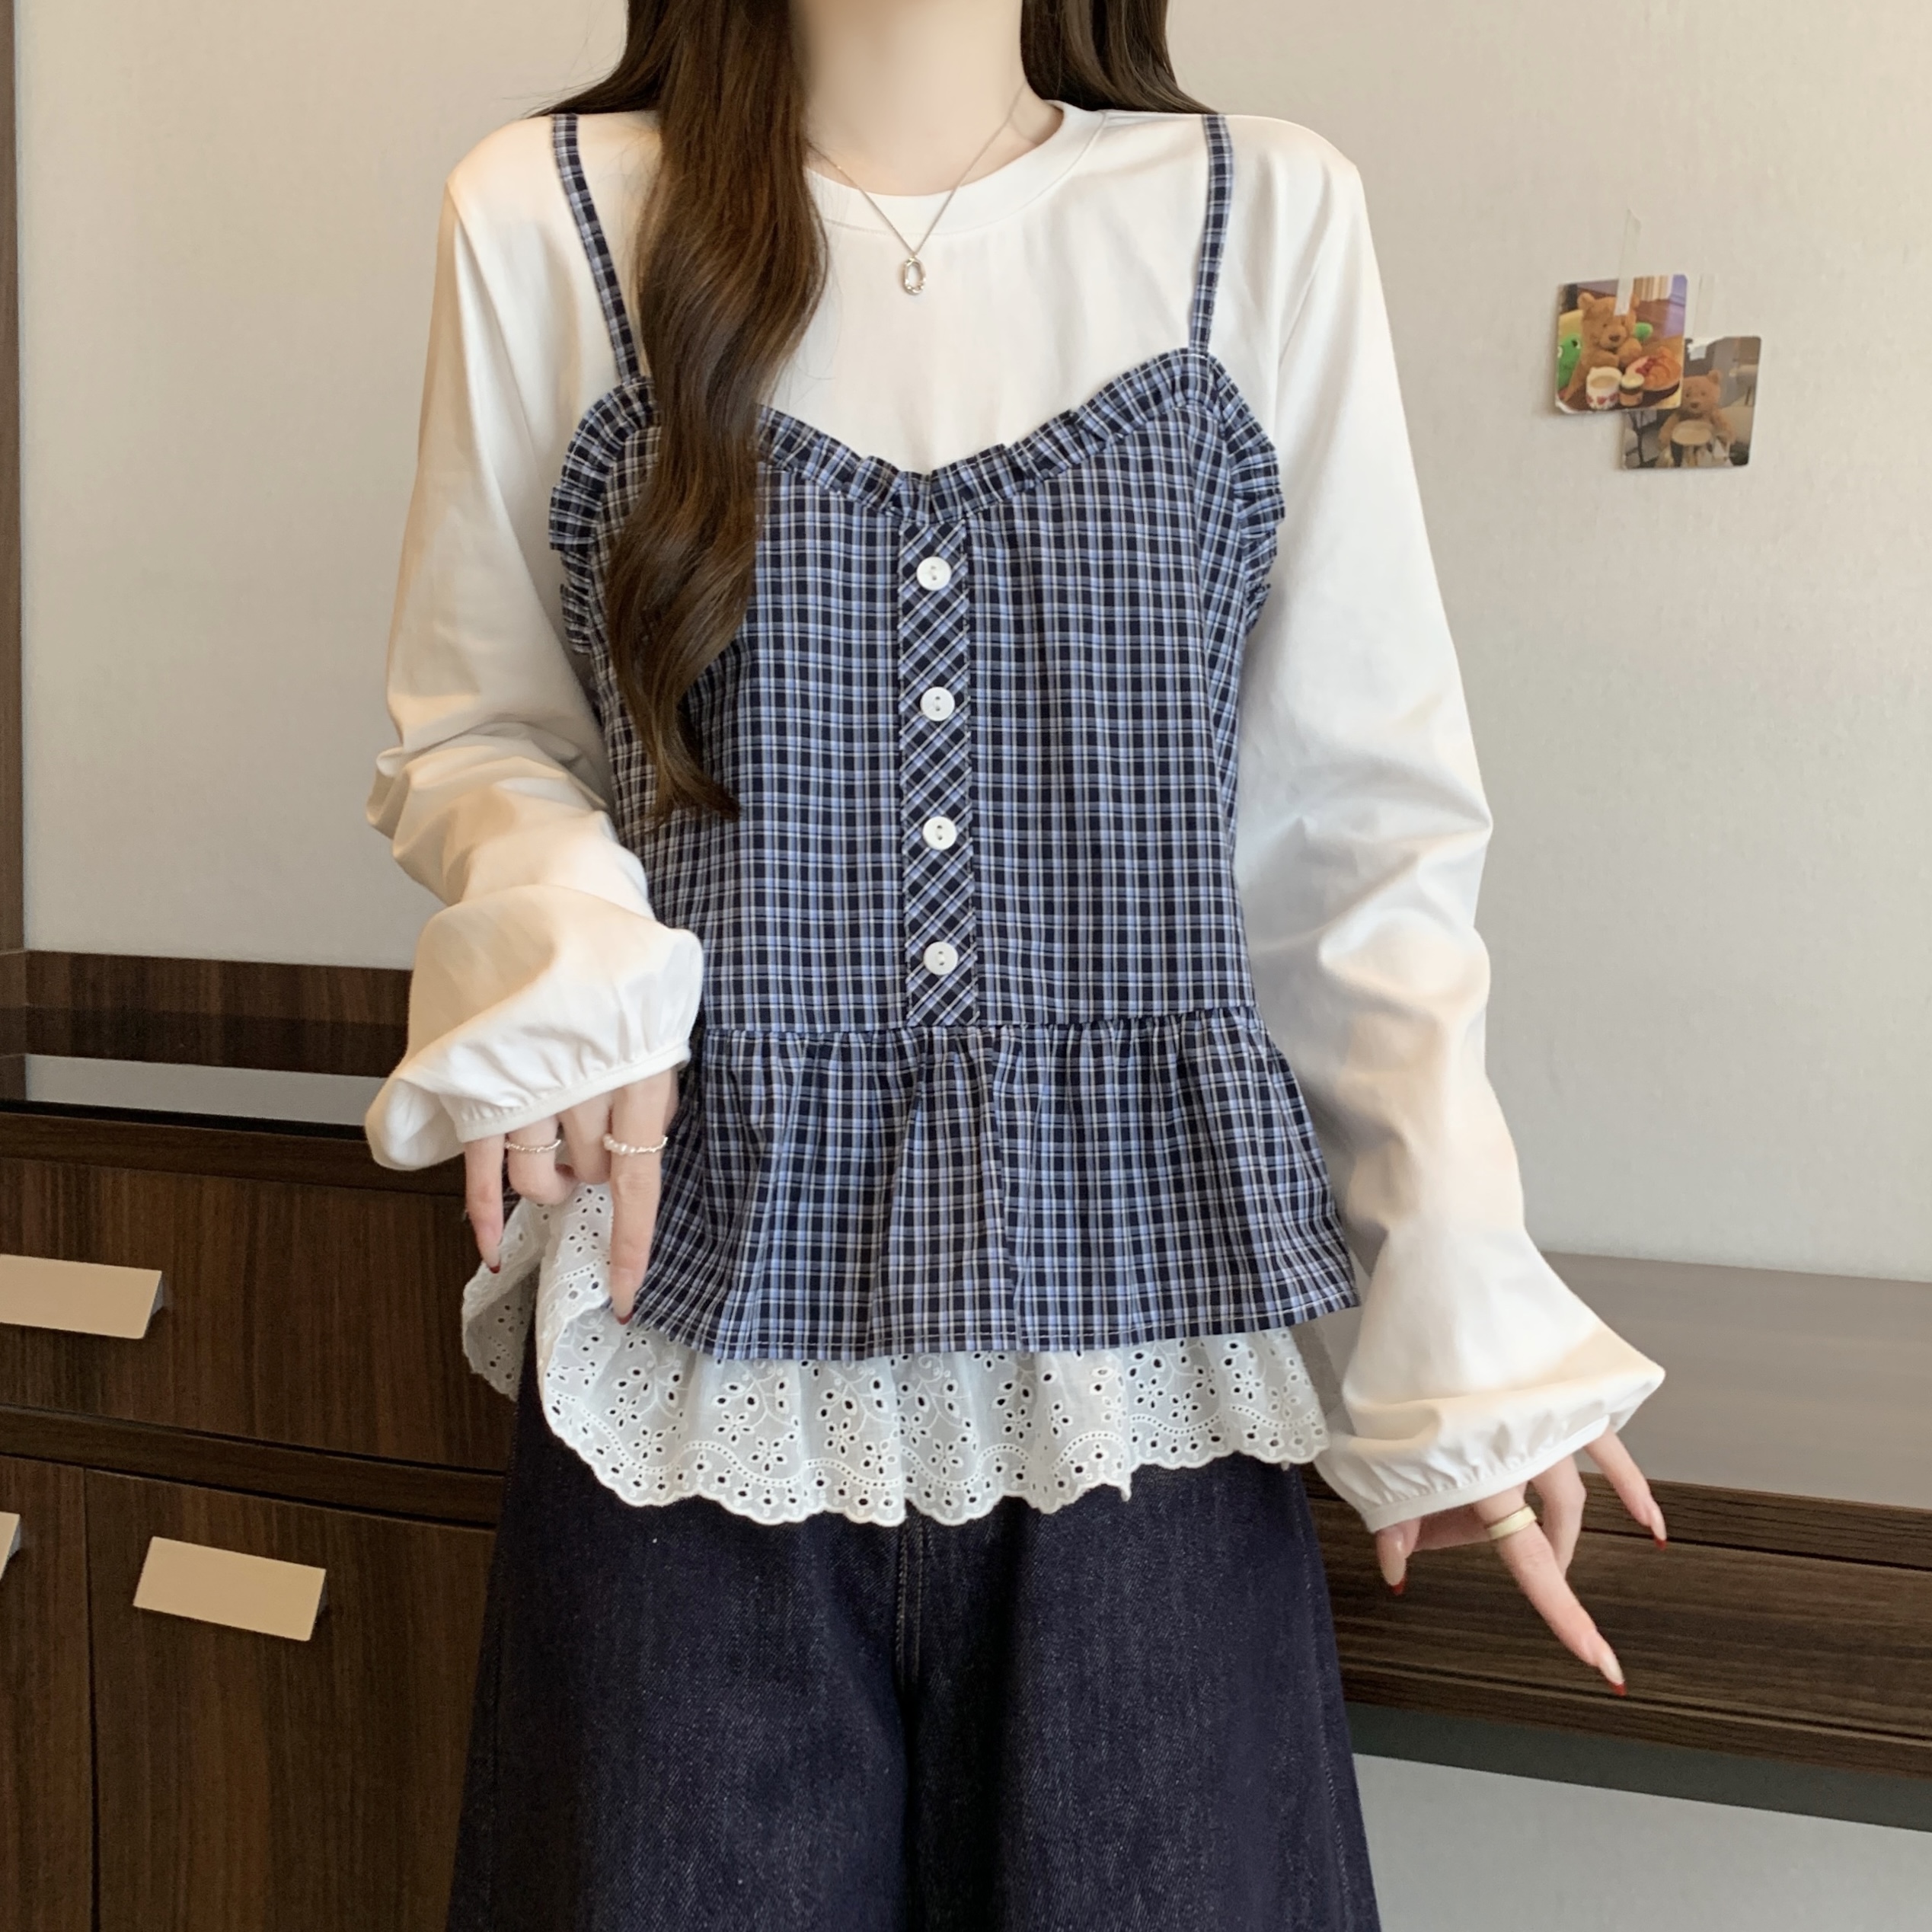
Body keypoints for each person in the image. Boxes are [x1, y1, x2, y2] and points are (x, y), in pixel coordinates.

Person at [364, 2, 1667, 1925]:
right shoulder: (548, 208)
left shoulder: (1258, 211)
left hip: (1153, 1361)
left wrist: (1457, 1313)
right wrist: (567, 956)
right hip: (686, 1345)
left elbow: (1351, 836)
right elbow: (479, 732)